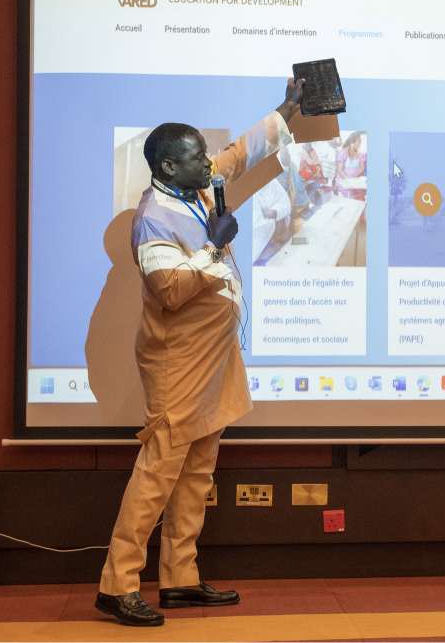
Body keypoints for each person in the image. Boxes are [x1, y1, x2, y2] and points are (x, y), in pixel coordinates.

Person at [94, 78, 304, 627]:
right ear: (168, 167)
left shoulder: (196, 188)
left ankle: (180, 578)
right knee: (157, 473)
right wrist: (214, 244)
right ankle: (117, 584)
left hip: (214, 357)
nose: (207, 163)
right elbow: (169, 291)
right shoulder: (152, 219)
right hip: (179, 363)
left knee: (196, 473)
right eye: (195, 157)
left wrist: (285, 111)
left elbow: (236, 156)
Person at [334, 131, 367, 199]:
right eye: (359, 142)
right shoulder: (343, 153)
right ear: (352, 142)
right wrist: (348, 179)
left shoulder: (360, 154)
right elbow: (340, 170)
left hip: (355, 183)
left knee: (359, 198)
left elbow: (362, 168)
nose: (360, 144)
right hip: (344, 183)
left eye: (360, 142)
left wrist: (354, 178)